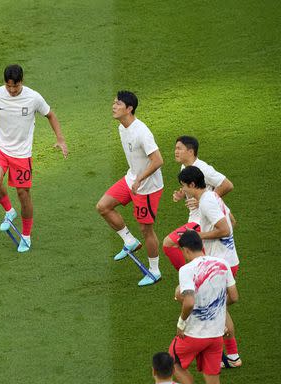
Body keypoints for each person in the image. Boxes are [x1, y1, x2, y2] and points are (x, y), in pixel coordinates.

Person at [0, 64, 68, 252]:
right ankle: (9, 211)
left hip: (21, 153)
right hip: (0, 147)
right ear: (4, 83)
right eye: (9, 86)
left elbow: (50, 115)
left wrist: (60, 139)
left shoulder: (33, 97)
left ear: (22, 81)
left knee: (23, 194)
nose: (12, 90)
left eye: (16, 86)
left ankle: (26, 235)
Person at [170, 229, 238, 384]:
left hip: (193, 333)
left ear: (186, 250)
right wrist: (216, 310)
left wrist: (181, 322)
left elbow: (188, 301)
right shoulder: (222, 265)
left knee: (171, 362)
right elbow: (234, 297)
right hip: (216, 334)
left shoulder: (187, 269)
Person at [97, 91, 164, 286]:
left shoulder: (141, 132)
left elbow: (158, 160)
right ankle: (129, 241)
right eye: (114, 102)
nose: (114, 106)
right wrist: (134, 178)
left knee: (146, 229)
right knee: (103, 206)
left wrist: (140, 179)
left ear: (129, 108)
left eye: (118, 104)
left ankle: (154, 271)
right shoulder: (122, 127)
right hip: (132, 179)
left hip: (147, 187)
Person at [178, 166, 242, 367]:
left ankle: (228, 355)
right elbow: (232, 220)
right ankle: (231, 356)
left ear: (192, 184)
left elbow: (224, 228)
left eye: (184, 187)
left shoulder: (206, 202)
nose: (183, 191)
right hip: (227, 260)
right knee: (220, 307)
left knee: (214, 306)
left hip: (221, 263)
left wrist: (199, 236)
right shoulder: (212, 197)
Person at [163, 136, 234, 271]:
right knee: (202, 256)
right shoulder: (185, 167)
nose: (175, 151)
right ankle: (198, 275)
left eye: (179, 148)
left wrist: (204, 199)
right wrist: (182, 194)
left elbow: (227, 185)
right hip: (198, 219)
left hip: (202, 221)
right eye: (175, 148)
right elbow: (194, 186)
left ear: (190, 151)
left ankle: (189, 276)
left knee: (169, 243)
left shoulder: (203, 169)